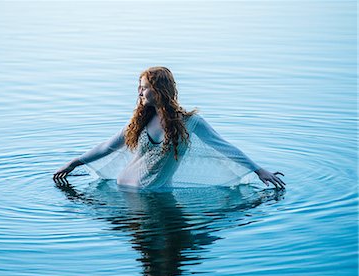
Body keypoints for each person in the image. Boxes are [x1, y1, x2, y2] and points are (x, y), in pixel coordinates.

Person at [53, 66, 285, 190]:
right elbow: (108, 146)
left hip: (157, 195)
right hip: (124, 190)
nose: (139, 92)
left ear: (160, 90)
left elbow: (224, 147)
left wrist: (258, 169)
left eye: (144, 87)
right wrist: (74, 163)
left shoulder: (190, 122)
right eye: (139, 87)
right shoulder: (140, 121)